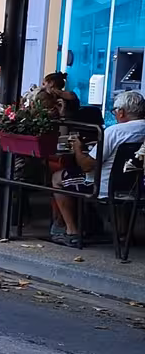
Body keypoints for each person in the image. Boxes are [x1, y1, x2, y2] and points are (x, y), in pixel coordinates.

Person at [51, 88, 145, 244]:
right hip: (138, 187)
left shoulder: (115, 131)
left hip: (106, 187)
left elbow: (87, 166)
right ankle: (123, 233)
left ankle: (72, 231)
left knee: (57, 178)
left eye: (114, 111)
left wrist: (78, 148)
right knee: (127, 178)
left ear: (121, 112)